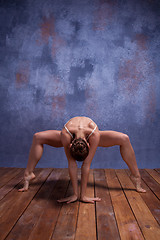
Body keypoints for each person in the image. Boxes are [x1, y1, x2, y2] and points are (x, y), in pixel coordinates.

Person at [18, 116, 146, 203]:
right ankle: (28, 174)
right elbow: (72, 163)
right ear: (70, 145)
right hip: (69, 133)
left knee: (124, 138)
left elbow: (86, 164)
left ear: (89, 145)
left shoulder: (95, 134)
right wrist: (76, 194)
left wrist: (82, 196)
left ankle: (136, 177)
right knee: (38, 137)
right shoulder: (65, 134)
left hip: (89, 132)